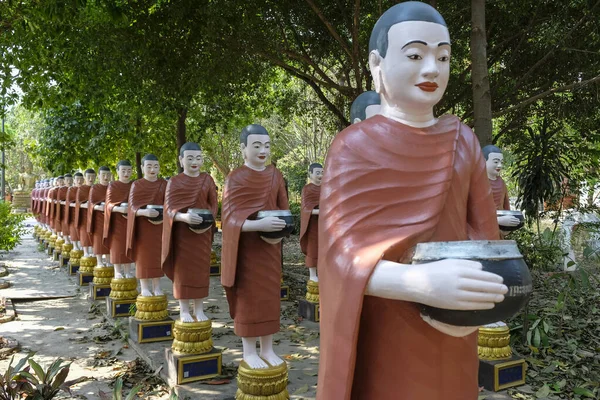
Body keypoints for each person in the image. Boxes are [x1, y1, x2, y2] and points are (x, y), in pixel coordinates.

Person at [316, 3, 507, 399]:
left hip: (455, 322)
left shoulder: (463, 138)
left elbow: (487, 240)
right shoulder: (352, 146)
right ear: (377, 63)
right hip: (387, 322)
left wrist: (476, 297)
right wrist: (418, 282)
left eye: (443, 56)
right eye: (416, 55)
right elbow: (337, 254)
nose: (432, 69)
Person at [221, 124, 289, 369]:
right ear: (244, 149)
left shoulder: (275, 175)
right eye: (257, 146)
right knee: (248, 297)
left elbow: (285, 210)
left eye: (267, 146)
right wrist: (255, 226)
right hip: (246, 250)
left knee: (269, 296)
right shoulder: (235, 177)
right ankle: (249, 350)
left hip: (270, 248)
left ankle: (268, 348)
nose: (263, 150)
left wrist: (281, 227)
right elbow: (227, 220)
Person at [162, 143, 218, 321]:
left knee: (201, 270)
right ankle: (184, 309)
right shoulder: (174, 182)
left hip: (202, 233)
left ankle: (199, 308)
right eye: (190, 158)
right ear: (181, 160)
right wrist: (183, 217)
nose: (195, 162)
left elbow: (213, 204)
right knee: (183, 271)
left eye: (198, 158)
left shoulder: (207, 179)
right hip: (182, 234)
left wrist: (209, 221)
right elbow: (168, 209)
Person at [127, 154, 167, 296]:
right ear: (142, 167)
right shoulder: (137, 185)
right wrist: (144, 212)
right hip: (143, 227)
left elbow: (170, 204)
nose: (152, 169)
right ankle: (144, 286)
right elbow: (131, 207)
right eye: (149, 166)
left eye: (155, 166)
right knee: (144, 256)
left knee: (157, 255)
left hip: (160, 226)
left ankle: (157, 286)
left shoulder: (164, 184)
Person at [103, 160, 134, 278]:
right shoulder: (113, 186)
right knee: (117, 245)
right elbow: (109, 204)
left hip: (130, 220)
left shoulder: (134, 185)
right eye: (123, 171)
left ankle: (127, 270)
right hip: (116, 220)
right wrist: (119, 209)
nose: (126, 173)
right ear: (117, 172)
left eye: (129, 170)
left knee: (129, 244)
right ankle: (117, 270)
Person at [299, 163, 323, 282]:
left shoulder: (326, 187)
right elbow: (305, 209)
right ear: (310, 174)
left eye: (322, 173)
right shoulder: (307, 189)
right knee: (313, 247)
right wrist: (320, 211)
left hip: (325, 224)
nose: (320, 175)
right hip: (312, 223)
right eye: (317, 173)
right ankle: (313, 274)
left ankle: (324, 271)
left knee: (325, 247)